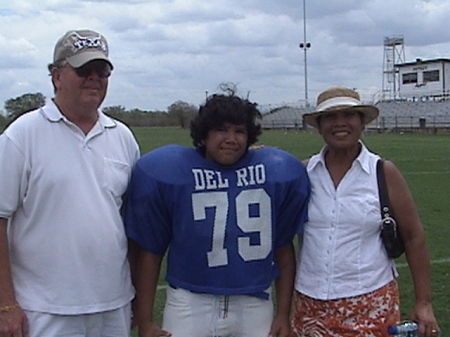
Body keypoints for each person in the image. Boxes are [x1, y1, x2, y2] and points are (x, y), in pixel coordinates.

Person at [124, 93, 310, 337]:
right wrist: (146, 320)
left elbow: (284, 250)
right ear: (204, 135)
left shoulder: (276, 170)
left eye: (239, 131)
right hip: (189, 300)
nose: (231, 139)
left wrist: (283, 314)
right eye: (221, 130)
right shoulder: (169, 170)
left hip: (254, 301)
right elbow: (152, 251)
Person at [0, 29, 140, 337]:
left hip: (112, 306)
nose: (94, 78)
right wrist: (6, 305)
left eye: (101, 71)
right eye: (83, 70)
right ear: (57, 76)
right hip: (43, 309)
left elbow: (131, 221)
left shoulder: (122, 136)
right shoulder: (22, 135)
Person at [290, 87, 440, 337]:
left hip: (370, 303)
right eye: (329, 116)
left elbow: (414, 236)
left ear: (362, 122)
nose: (340, 123)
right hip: (309, 305)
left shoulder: (383, 172)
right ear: (319, 125)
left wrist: (423, 302)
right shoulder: (302, 173)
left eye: (349, 115)